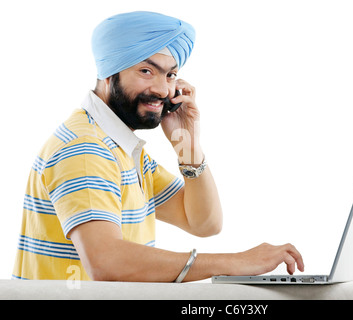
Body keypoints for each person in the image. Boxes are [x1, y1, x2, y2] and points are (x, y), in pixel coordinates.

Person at [12, 11, 304, 282]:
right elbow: (105, 261)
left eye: (170, 75)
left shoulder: (122, 148)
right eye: (146, 71)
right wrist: (237, 263)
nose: (163, 90)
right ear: (108, 73)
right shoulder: (86, 149)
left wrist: (187, 144)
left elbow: (203, 223)